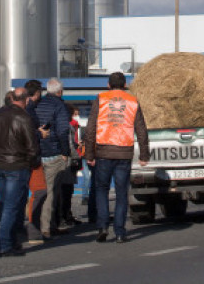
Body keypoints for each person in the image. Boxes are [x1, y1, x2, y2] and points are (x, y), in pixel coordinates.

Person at [84, 71, 150, 244]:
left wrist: (89, 154)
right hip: (124, 152)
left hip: (103, 151)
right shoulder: (132, 101)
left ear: (108, 85)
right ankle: (120, 232)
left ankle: (103, 226)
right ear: (125, 85)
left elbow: (91, 128)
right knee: (121, 193)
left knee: (101, 189)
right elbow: (141, 130)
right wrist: (144, 154)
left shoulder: (101, 99)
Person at [0, 87, 41, 258]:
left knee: (5, 203)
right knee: (12, 205)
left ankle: (10, 240)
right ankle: (5, 244)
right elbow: (32, 146)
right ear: (26, 100)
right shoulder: (24, 117)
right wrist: (31, 162)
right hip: (17, 165)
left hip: (0, 163)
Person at [33, 77, 72, 238]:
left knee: (39, 190)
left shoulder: (37, 104)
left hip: (38, 152)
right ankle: (46, 227)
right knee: (51, 192)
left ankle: (40, 223)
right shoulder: (59, 106)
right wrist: (65, 152)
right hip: (54, 152)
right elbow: (63, 130)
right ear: (60, 91)